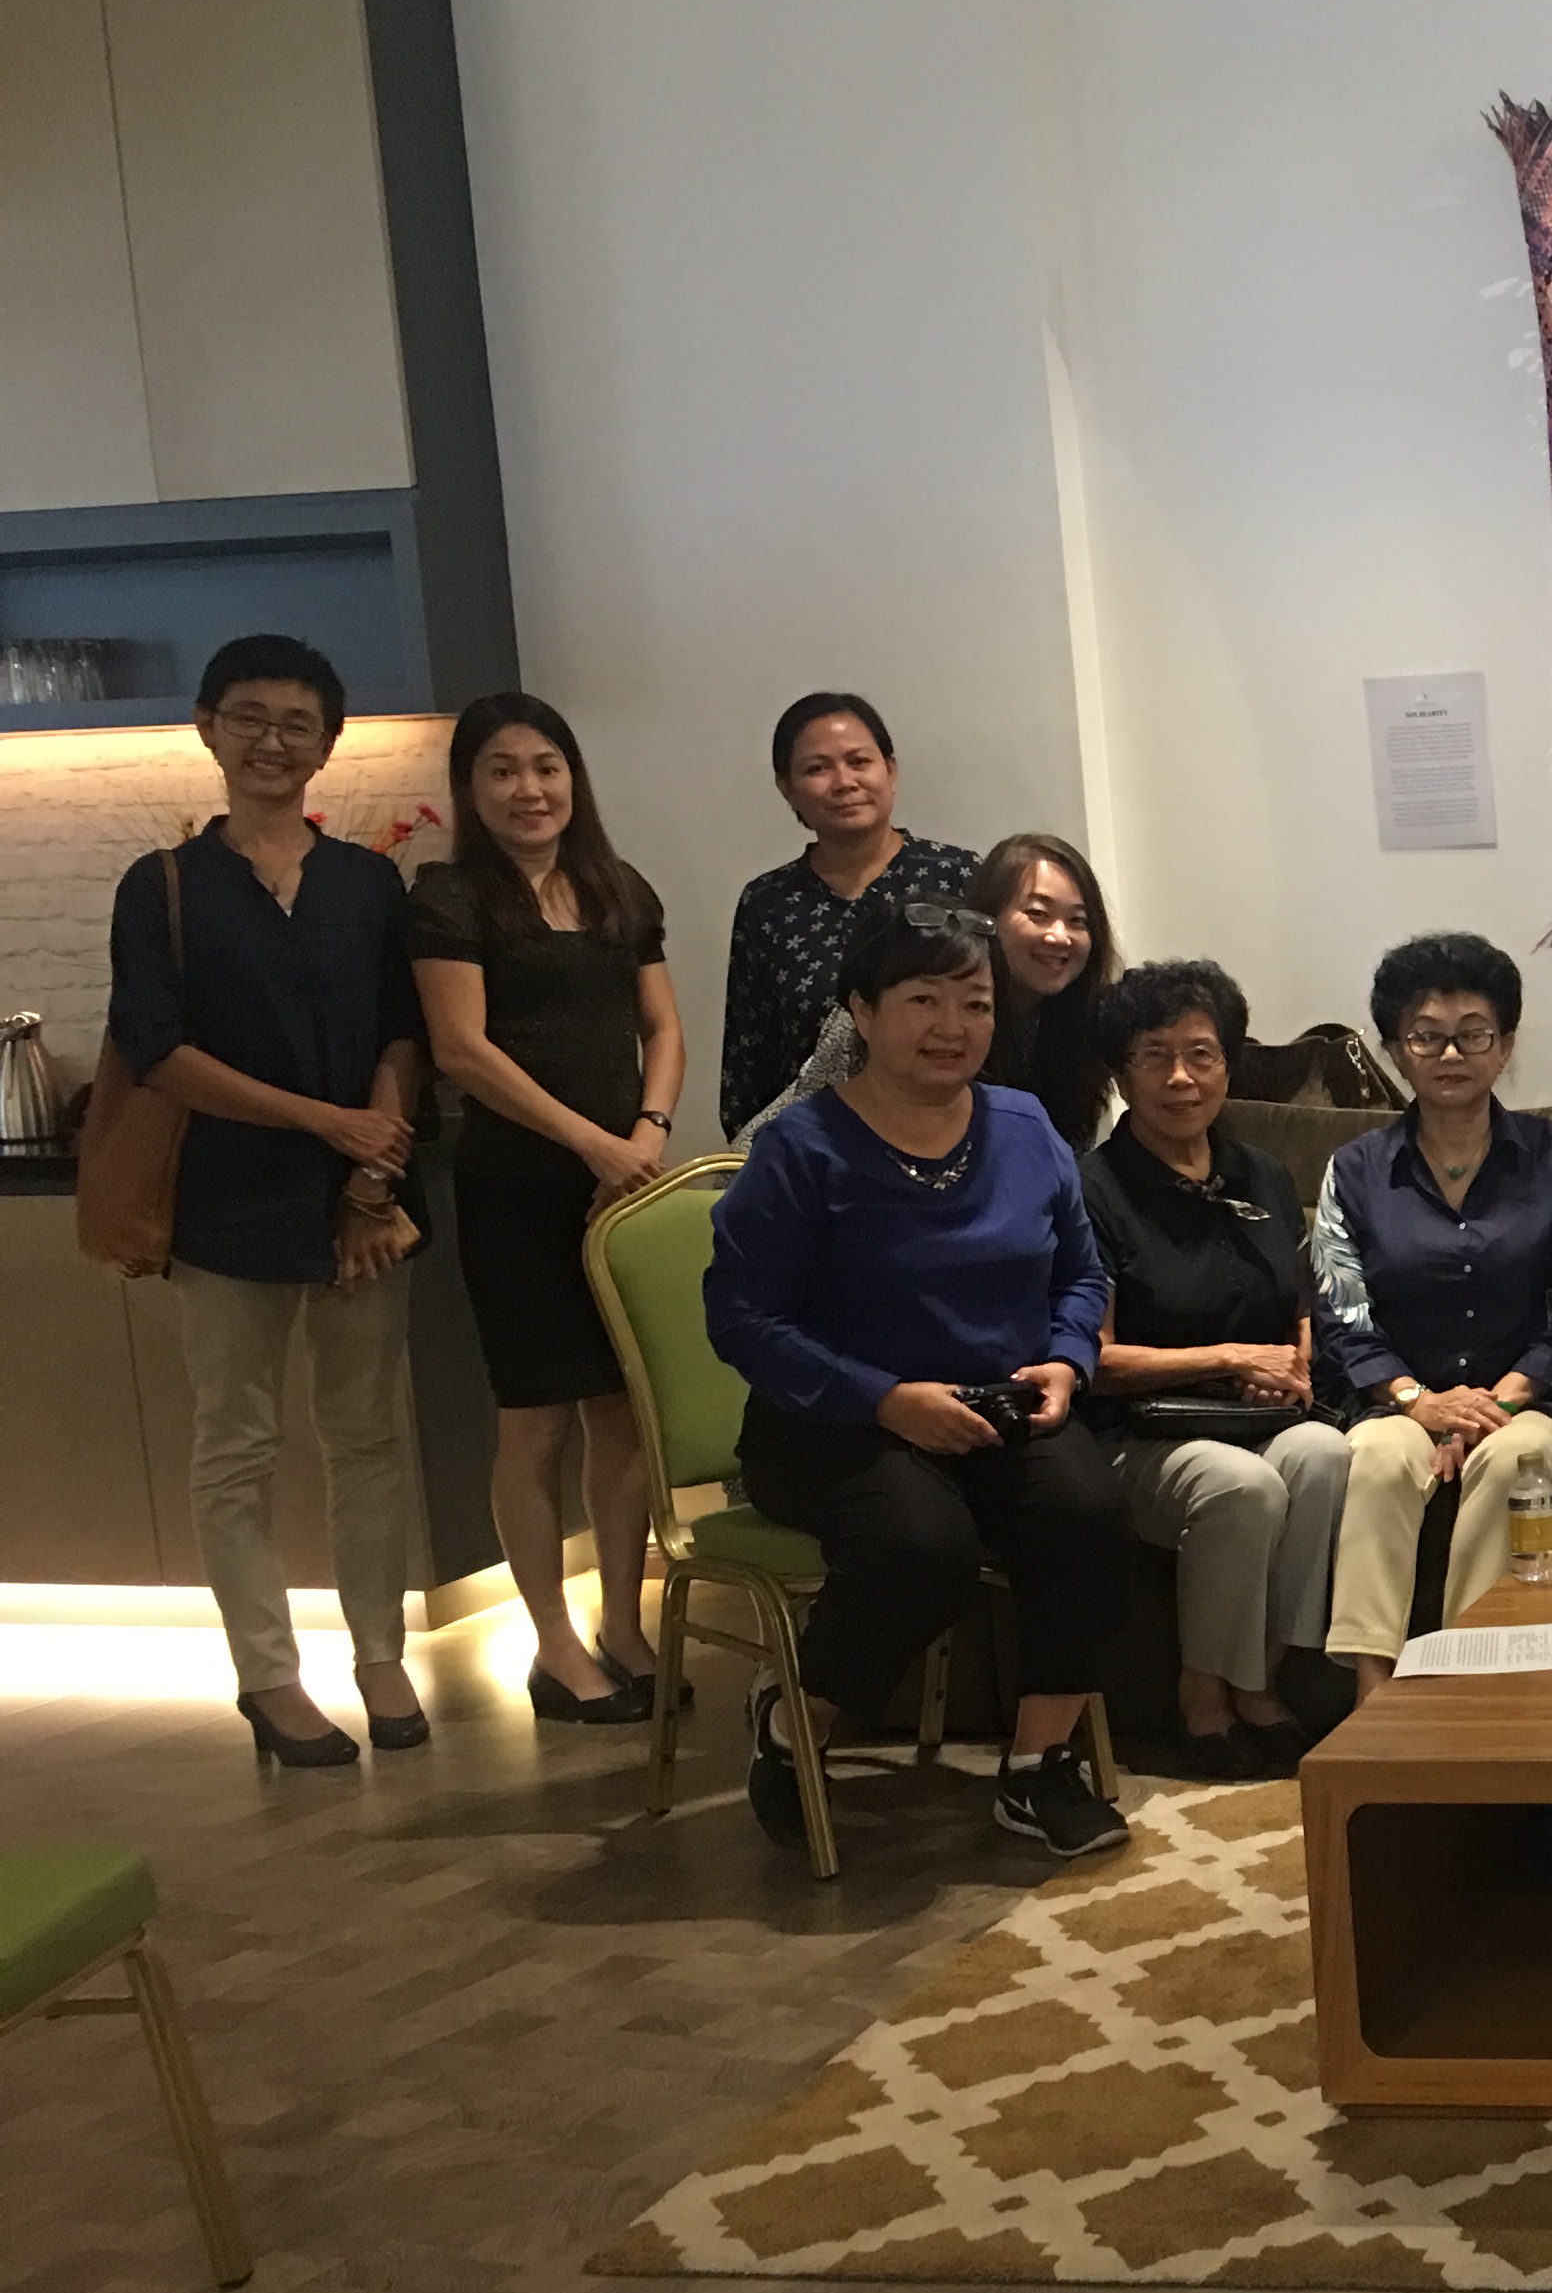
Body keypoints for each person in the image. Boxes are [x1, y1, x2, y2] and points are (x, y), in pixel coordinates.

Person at [704, 907, 1134, 1858]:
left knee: (1092, 1511)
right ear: (861, 1011)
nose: (952, 1025)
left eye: (974, 1003)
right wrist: (883, 1398)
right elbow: (742, 1318)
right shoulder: (800, 1149)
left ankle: (1038, 1769)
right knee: (921, 1545)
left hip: (997, 1409)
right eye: (923, 1000)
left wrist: (1068, 1359)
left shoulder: (1025, 1126)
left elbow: (1081, 1273)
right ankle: (794, 1721)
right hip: (833, 1425)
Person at [103, 635, 430, 1766]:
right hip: (224, 1204)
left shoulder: (367, 883)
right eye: (249, 718)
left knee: (368, 1437)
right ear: (208, 728)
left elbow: (404, 1034)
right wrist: (324, 1123)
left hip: (362, 1206)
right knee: (236, 1444)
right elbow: (157, 1049)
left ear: (328, 744)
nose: (272, 742)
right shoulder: (162, 886)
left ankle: (381, 1655)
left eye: (297, 723)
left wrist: (371, 1175)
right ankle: (269, 1677)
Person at [408, 693, 685, 1725]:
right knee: (534, 1424)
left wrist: (648, 1129)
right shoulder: (448, 898)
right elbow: (461, 1049)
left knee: (622, 1416)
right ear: (470, 789)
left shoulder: (618, 887)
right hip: (517, 1192)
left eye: (547, 767)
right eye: (503, 770)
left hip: (623, 1192)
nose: (529, 789)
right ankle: (554, 1647)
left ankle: (623, 1624)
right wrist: (590, 1141)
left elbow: (662, 1026)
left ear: (574, 778)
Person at [1081, 958, 1351, 1780]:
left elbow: (1300, 1304)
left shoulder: (1260, 1173)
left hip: (1255, 1416)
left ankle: (1260, 1677)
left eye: (1201, 1054)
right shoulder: (1095, 1189)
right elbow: (1094, 1357)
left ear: (1229, 1065)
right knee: (1243, 1486)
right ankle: (1202, 1693)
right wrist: (1231, 1357)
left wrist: (1295, 1363)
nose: (1180, 1077)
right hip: (1139, 1433)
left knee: (1326, 1454)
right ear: (1121, 1072)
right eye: (1154, 1056)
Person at [1312, 932, 1552, 1697]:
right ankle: (1371, 1694)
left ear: (1506, 1046)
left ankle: (1468, 1689)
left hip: (1525, 1403)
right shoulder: (1355, 1171)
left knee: (1514, 1459)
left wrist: (1496, 1404)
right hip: (1399, 1402)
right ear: (1397, 1050)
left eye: (1474, 1034)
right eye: (1427, 1036)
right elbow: (1340, 1312)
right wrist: (1418, 1403)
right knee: (1376, 1458)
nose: (1451, 1054)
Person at [735, 832, 1114, 1148]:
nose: (1060, 936)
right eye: (1038, 914)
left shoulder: (1079, 1027)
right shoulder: (889, 1006)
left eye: (1078, 921)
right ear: (986, 918)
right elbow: (797, 1132)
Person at [714, 693, 976, 1134]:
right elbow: (749, 1064)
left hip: (947, 1132)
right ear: (787, 788)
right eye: (817, 769)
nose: (843, 782)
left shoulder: (956, 876)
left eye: (859, 762)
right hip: (813, 1147)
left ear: (890, 770)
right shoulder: (767, 902)